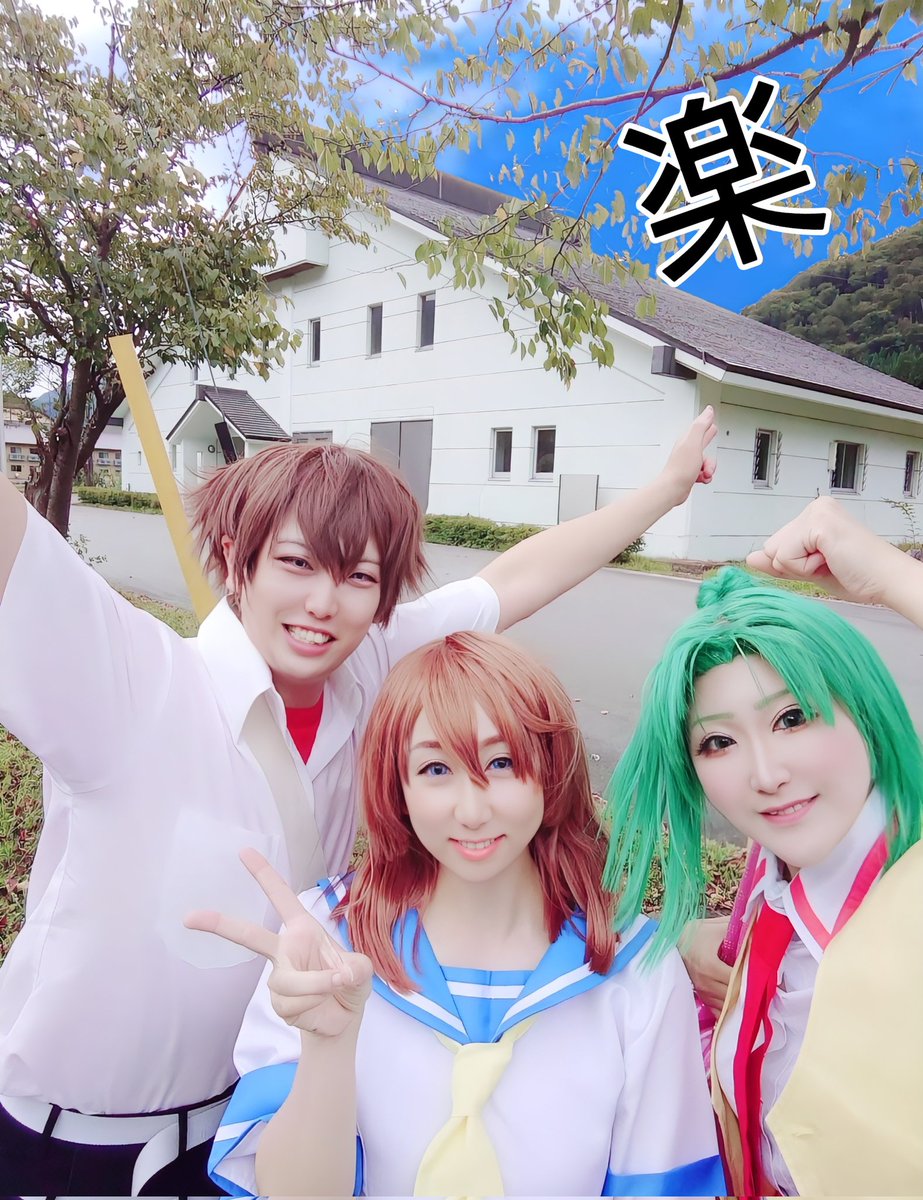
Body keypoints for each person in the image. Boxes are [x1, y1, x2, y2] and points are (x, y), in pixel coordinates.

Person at [0, 412, 716, 1196]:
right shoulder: (133, 681)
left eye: (359, 577)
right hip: (72, 1147)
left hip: (253, 1123)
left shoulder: (370, 665)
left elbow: (514, 581)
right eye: (296, 562)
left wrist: (666, 490)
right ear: (235, 555)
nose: (323, 603)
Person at [190, 631, 725, 1198]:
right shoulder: (325, 940)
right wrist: (327, 1046)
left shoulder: (636, 968)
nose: (472, 811)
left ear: (551, 769)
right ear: (397, 786)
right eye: (436, 769)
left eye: (501, 762)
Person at [604, 496, 923, 1195]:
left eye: (792, 718)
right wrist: (683, 938)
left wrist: (892, 578)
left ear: (865, 709)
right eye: (718, 742)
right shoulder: (774, 869)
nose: (765, 774)